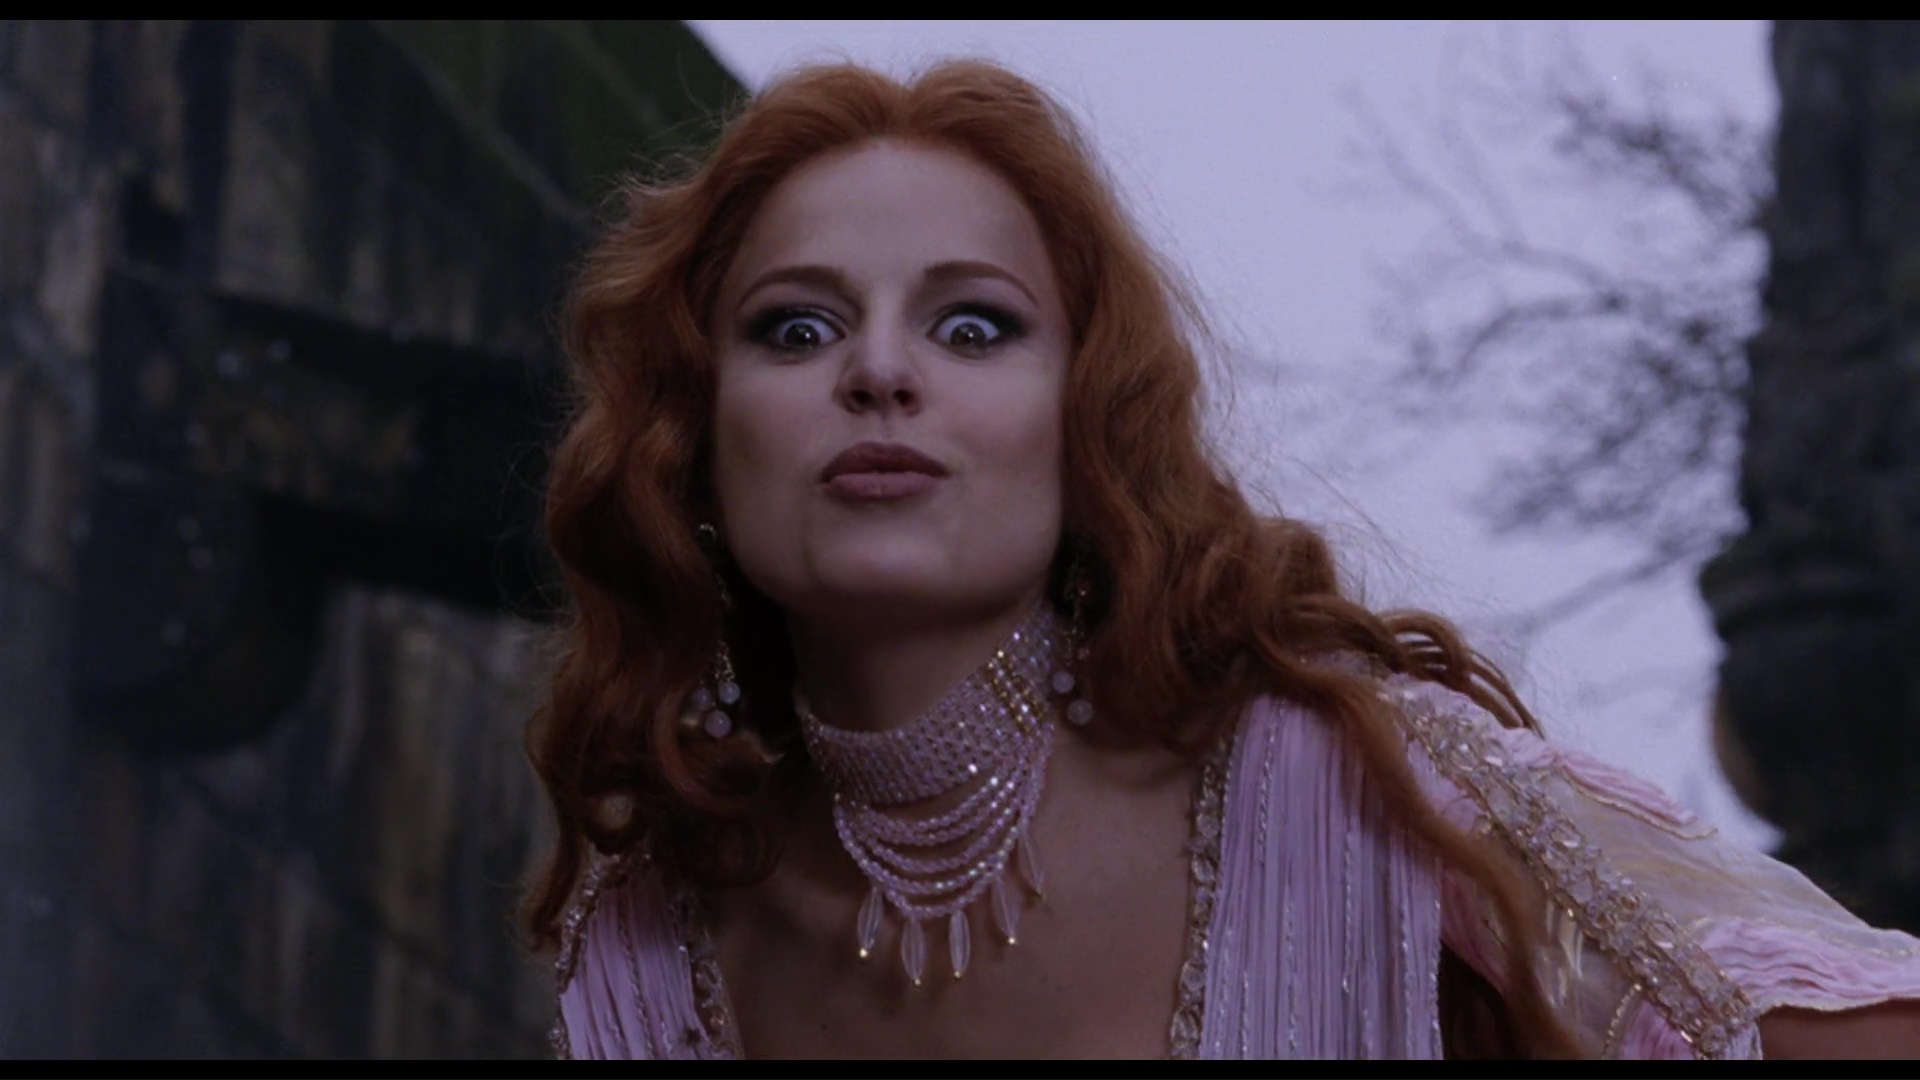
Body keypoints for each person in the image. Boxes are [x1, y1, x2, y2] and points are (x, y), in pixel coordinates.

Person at [522, 59, 1920, 1058]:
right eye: (797, 327)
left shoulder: (1356, 779)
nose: (880, 371)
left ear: (1086, 424)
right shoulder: (649, 936)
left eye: (973, 326)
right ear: (693, 439)